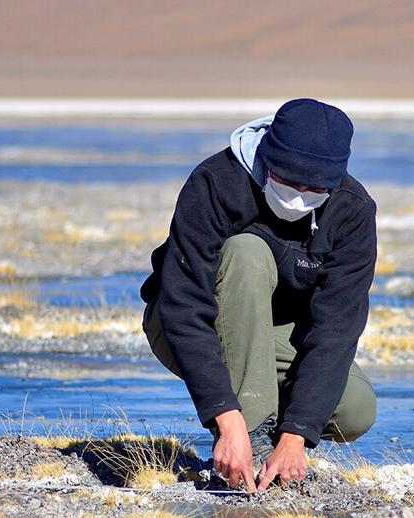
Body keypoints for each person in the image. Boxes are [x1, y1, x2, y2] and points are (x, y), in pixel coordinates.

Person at [141, 98, 378, 492]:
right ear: (268, 159)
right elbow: (183, 305)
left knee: (354, 409)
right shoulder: (217, 182)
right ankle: (248, 442)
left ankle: (274, 439)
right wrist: (226, 416)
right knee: (247, 252)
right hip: (183, 323)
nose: (299, 197)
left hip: (272, 333)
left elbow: (336, 330)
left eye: (315, 188)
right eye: (288, 182)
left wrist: (297, 434)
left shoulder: (351, 211)